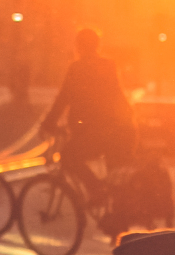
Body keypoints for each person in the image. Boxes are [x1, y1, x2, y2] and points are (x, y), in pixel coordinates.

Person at [39, 27, 135, 201]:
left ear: (79, 47)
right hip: (113, 132)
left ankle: (96, 190)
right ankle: (112, 205)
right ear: (97, 46)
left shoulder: (76, 68)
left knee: (68, 157)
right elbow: (118, 96)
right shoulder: (108, 65)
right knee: (114, 176)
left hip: (89, 133)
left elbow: (62, 99)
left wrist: (48, 123)